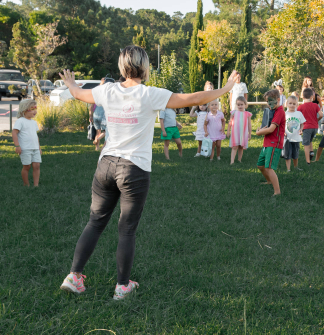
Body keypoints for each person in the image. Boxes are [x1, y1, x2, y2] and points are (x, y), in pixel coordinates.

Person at [58, 45, 240, 300]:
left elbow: (78, 94)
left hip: (106, 165)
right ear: (144, 68)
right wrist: (226, 89)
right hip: (134, 169)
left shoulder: (107, 90)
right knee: (127, 229)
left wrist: (70, 83)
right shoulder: (150, 94)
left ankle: (74, 276)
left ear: (122, 67)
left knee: (95, 221)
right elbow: (194, 99)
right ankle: (122, 286)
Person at [256, 89, 285, 196]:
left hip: (274, 143)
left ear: (278, 99)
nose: (269, 104)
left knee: (268, 167)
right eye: (268, 102)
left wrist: (259, 133)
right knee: (260, 165)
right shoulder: (272, 110)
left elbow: (271, 129)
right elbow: (268, 126)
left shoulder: (280, 111)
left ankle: (277, 192)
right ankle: (269, 181)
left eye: (271, 101)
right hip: (267, 142)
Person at [12, 99, 42, 187]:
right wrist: (17, 146)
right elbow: (14, 133)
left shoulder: (34, 123)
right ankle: (26, 184)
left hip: (35, 148)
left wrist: (39, 148)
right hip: (25, 148)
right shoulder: (20, 121)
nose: (35, 111)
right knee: (27, 166)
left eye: (35, 109)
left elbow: (36, 136)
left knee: (37, 166)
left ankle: (36, 185)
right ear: (24, 110)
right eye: (32, 109)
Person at [297, 88, 322, 165]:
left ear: (303, 97)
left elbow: (297, 117)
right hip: (315, 127)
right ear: (312, 97)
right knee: (310, 140)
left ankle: (308, 161)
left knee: (306, 144)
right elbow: (321, 114)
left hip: (306, 127)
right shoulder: (315, 105)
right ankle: (311, 152)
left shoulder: (300, 107)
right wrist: (317, 120)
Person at [227, 96, 252, 164]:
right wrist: (228, 131)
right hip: (235, 133)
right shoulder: (234, 112)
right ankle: (232, 161)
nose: (240, 106)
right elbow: (230, 122)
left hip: (243, 133)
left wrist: (249, 134)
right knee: (235, 147)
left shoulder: (247, 114)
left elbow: (249, 124)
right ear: (236, 105)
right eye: (238, 104)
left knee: (241, 147)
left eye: (241, 104)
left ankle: (239, 160)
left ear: (245, 104)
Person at [283, 95, 305, 172]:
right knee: (287, 154)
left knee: (295, 154)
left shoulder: (299, 113)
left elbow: (302, 123)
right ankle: (288, 169)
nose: (292, 105)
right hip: (287, 138)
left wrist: (301, 129)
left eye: (294, 104)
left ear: (297, 105)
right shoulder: (284, 114)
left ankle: (296, 167)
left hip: (296, 138)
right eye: (290, 103)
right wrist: (283, 132)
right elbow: (281, 125)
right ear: (286, 104)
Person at [90, 78, 110, 151]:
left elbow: (91, 107)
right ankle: (98, 139)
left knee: (98, 131)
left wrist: (90, 116)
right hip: (102, 116)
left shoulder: (95, 97)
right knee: (106, 131)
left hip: (95, 115)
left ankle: (97, 147)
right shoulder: (105, 95)